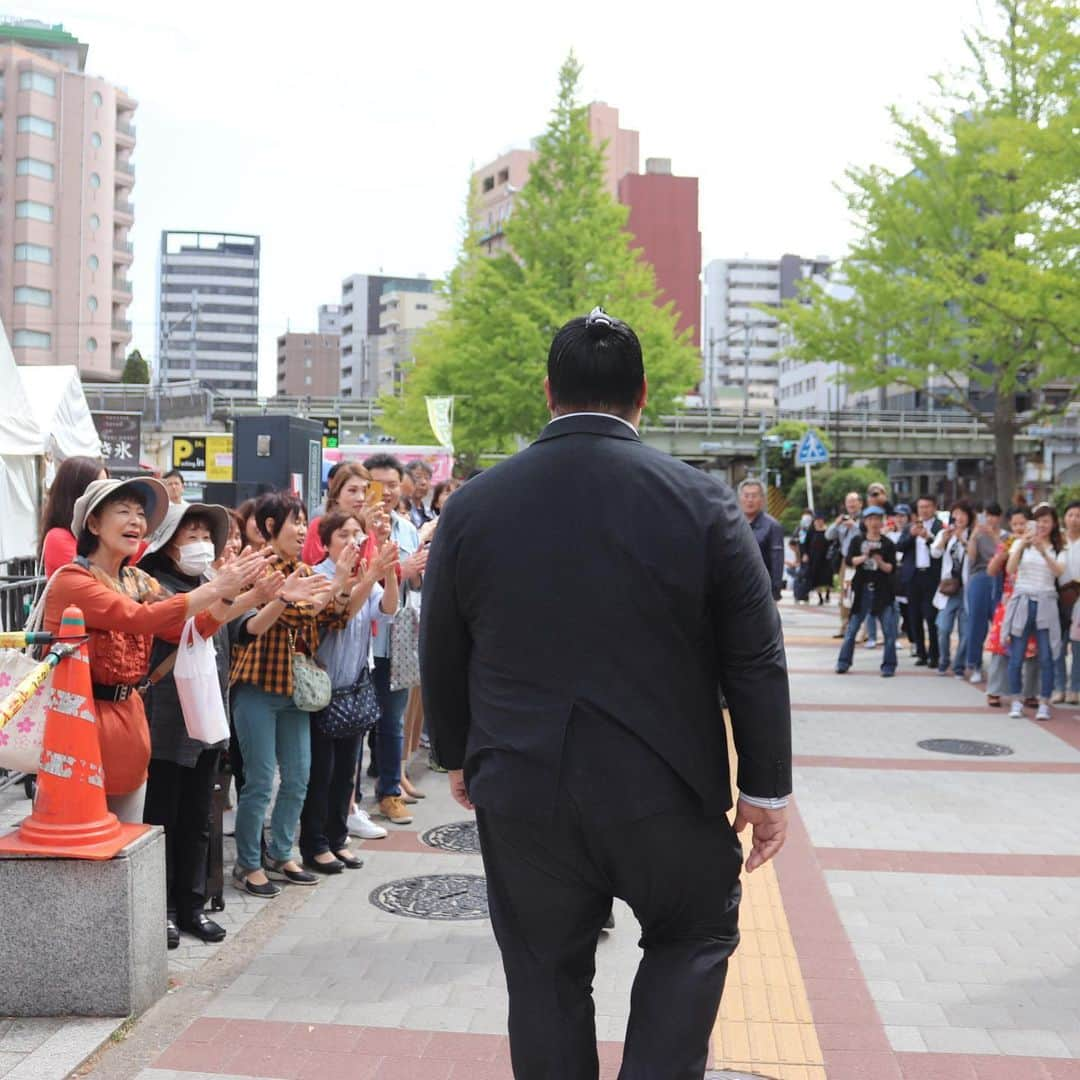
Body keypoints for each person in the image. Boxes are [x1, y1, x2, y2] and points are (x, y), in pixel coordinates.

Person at [421, 307, 791, 1080]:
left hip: (524, 784)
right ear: (643, 394)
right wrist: (764, 786)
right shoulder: (702, 502)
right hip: (668, 784)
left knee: (544, 972)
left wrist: (457, 753)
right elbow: (755, 656)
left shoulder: (475, 505)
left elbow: (444, 643)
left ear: (548, 391)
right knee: (691, 939)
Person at [42, 478, 266, 822]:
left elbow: (190, 630)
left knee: (131, 839)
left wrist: (233, 594)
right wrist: (217, 587)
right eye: (123, 511)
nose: (136, 521)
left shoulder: (137, 580)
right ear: (93, 524)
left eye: (140, 513)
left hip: (128, 721)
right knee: (81, 836)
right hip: (79, 720)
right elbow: (138, 617)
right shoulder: (74, 581)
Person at [139, 502, 291, 949]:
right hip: (167, 723)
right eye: (192, 535)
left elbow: (242, 630)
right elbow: (191, 623)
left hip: (207, 720)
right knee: (161, 818)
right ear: (168, 543)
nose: (202, 544)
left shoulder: (209, 583)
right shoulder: (155, 586)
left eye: (207, 535)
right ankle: (162, 910)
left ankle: (192, 906)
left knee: (199, 819)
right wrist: (237, 592)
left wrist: (272, 597)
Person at [228, 492, 354, 897]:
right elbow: (298, 611)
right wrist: (331, 586)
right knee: (261, 780)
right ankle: (248, 864)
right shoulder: (257, 568)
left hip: (295, 689)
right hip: (257, 687)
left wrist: (347, 583)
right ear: (269, 527)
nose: (302, 530)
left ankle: (282, 853)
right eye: (293, 522)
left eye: (304, 522)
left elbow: (335, 614)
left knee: (298, 777)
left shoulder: (303, 569)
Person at [299, 511, 400, 873]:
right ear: (325, 543)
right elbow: (332, 618)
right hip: (321, 690)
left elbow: (388, 610)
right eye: (343, 535)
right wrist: (368, 576)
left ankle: (337, 839)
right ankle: (315, 844)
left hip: (354, 689)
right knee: (320, 773)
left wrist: (386, 571)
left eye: (358, 534)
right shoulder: (316, 576)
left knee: (346, 774)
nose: (352, 541)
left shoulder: (365, 577)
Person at [360, 454, 428, 826]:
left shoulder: (406, 529)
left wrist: (413, 573)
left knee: (392, 721)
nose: (384, 492)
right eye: (376, 483)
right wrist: (400, 570)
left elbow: (416, 582)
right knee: (353, 724)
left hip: (396, 638)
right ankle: (350, 803)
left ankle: (389, 792)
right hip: (359, 642)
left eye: (391, 484)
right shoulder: (353, 529)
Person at [1005, 502, 1067, 721]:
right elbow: (1010, 569)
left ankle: (1044, 703)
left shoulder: (1058, 547)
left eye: (1046, 521)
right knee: (1017, 655)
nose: (1042, 525)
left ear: (1053, 524)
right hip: (1023, 600)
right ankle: (1016, 700)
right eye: (1039, 521)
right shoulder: (1021, 543)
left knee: (1047, 655)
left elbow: (1059, 571)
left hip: (1046, 602)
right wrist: (1022, 544)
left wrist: (1043, 551)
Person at [985, 507, 1038, 707]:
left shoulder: (1039, 544)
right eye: (1014, 524)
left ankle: (1030, 692)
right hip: (1009, 599)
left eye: (1022, 523)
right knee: (1001, 645)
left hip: (1033, 597)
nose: (1018, 528)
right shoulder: (1007, 544)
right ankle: (995, 689)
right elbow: (991, 570)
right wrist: (1004, 553)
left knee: (1033, 647)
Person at [835, 507, 899, 676]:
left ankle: (889, 665)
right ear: (865, 522)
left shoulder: (887, 543)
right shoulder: (857, 541)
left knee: (888, 631)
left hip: (883, 591)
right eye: (870, 519)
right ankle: (843, 662)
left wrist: (879, 560)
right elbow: (849, 560)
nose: (874, 523)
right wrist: (864, 557)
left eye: (877, 519)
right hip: (862, 589)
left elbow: (891, 568)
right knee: (852, 629)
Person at [38, 456, 107, 577]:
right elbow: (96, 578)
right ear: (78, 494)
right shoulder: (58, 537)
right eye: (98, 489)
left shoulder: (97, 535)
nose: (106, 497)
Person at [895, 495, 943, 667]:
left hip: (931, 576)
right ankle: (920, 652)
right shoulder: (910, 527)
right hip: (912, 576)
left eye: (927, 506)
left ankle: (934, 654)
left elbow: (941, 550)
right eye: (921, 507)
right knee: (914, 616)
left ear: (934, 507)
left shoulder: (940, 527)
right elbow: (899, 547)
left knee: (931, 616)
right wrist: (912, 536)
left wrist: (929, 537)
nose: (924, 510)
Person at [931, 501, 972, 677]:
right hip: (949, 589)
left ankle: (959, 666)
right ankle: (944, 660)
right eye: (956, 513)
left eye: (963, 513)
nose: (959, 517)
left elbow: (975, 556)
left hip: (967, 589)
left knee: (965, 631)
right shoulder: (944, 533)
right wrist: (944, 540)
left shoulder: (973, 535)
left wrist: (963, 540)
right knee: (943, 628)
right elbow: (935, 553)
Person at [964, 502, 1004, 684]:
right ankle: (975, 665)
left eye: (994, 515)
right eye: (987, 515)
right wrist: (974, 535)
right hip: (980, 577)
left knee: (1000, 624)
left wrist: (994, 536)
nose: (990, 520)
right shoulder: (978, 535)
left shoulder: (1006, 536)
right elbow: (971, 558)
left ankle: (1000, 666)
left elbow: (1006, 555)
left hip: (1000, 578)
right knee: (976, 624)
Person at [301, 462, 371, 566]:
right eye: (352, 490)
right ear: (337, 494)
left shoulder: (370, 527)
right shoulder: (320, 525)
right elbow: (315, 565)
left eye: (365, 491)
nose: (361, 498)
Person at [826, 491, 864, 638]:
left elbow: (866, 535)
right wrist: (837, 523)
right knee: (845, 594)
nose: (851, 505)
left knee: (860, 594)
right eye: (849, 502)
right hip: (845, 561)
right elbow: (828, 536)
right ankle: (845, 626)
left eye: (854, 502)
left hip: (861, 559)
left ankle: (863, 631)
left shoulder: (865, 519)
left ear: (860, 503)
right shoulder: (842, 519)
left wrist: (854, 526)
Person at [738, 478, 784, 601]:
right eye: (746, 495)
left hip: (761, 590)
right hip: (735, 588)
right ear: (740, 498)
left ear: (762, 499)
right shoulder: (731, 524)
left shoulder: (772, 526)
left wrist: (775, 591)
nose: (750, 500)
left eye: (754, 496)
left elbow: (777, 561)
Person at [1054, 500, 1080, 705]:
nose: (1074, 520)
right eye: (1070, 515)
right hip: (1059, 597)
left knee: (1078, 645)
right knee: (1059, 645)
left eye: (1078, 516)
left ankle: (1075, 688)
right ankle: (1059, 686)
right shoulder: (1058, 540)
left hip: (1079, 597)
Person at [801, 512, 832, 605]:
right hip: (814, 558)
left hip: (826, 558)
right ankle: (820, 598)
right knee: (816, 577)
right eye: (816, 520)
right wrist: (805, 554)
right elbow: (805, 544)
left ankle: (827, 593)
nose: (818, 522)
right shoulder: (811, 531)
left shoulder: (828, 530)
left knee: (827, 577)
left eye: (820, 520)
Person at [406, 461, 436, 529]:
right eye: (418, 477)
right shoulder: (401, 510)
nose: (423, 482)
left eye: (427, 478)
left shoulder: (431, 512)